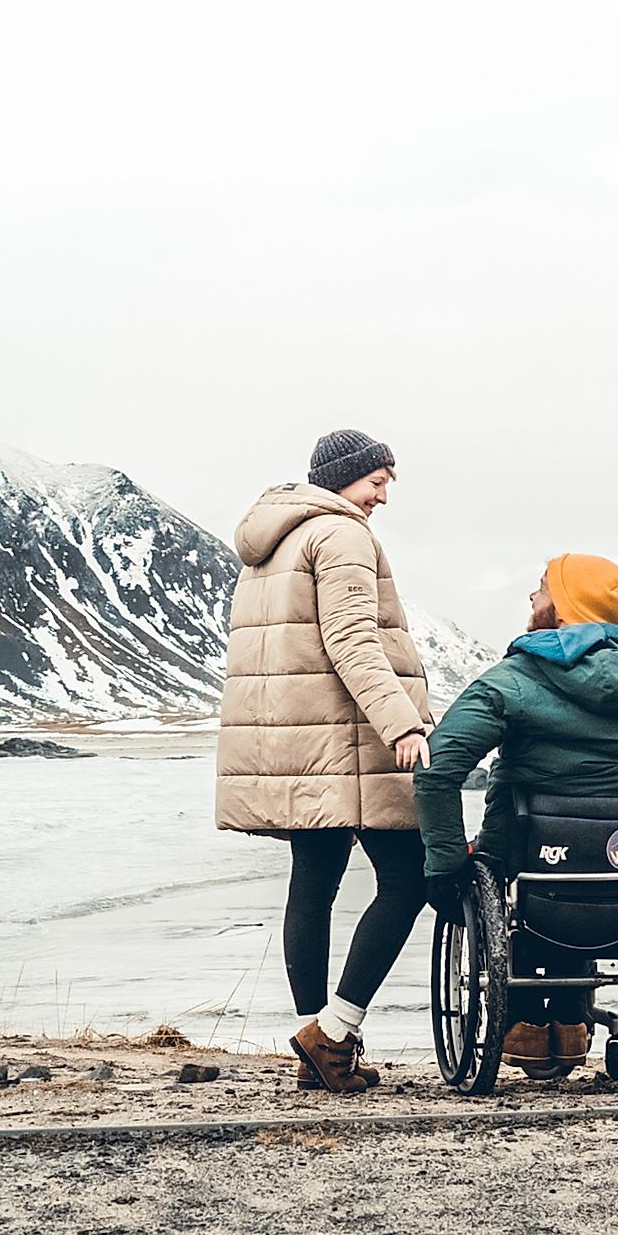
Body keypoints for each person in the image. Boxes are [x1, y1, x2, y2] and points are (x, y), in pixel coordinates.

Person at [216, 428, 437, 1093]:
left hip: (296, 743)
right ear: (345, 477)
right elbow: (351, 641)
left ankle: (316, 1041)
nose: (384, 496)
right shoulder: (339, 536)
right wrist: (401, 721)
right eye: (378, 481)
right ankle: (335, 1030)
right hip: (344, 742)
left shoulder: (274, 540)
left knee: (313, 882)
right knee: (409, 878)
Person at [413, 552, 618, 1081]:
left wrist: (445, 864)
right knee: (585, 860)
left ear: (564, 608)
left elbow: (437, 770)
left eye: (541, 589)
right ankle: (571, 1020)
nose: (532, 599)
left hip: (523, 859)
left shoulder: (512, 682)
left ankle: (526, 1025)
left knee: (497, 867)